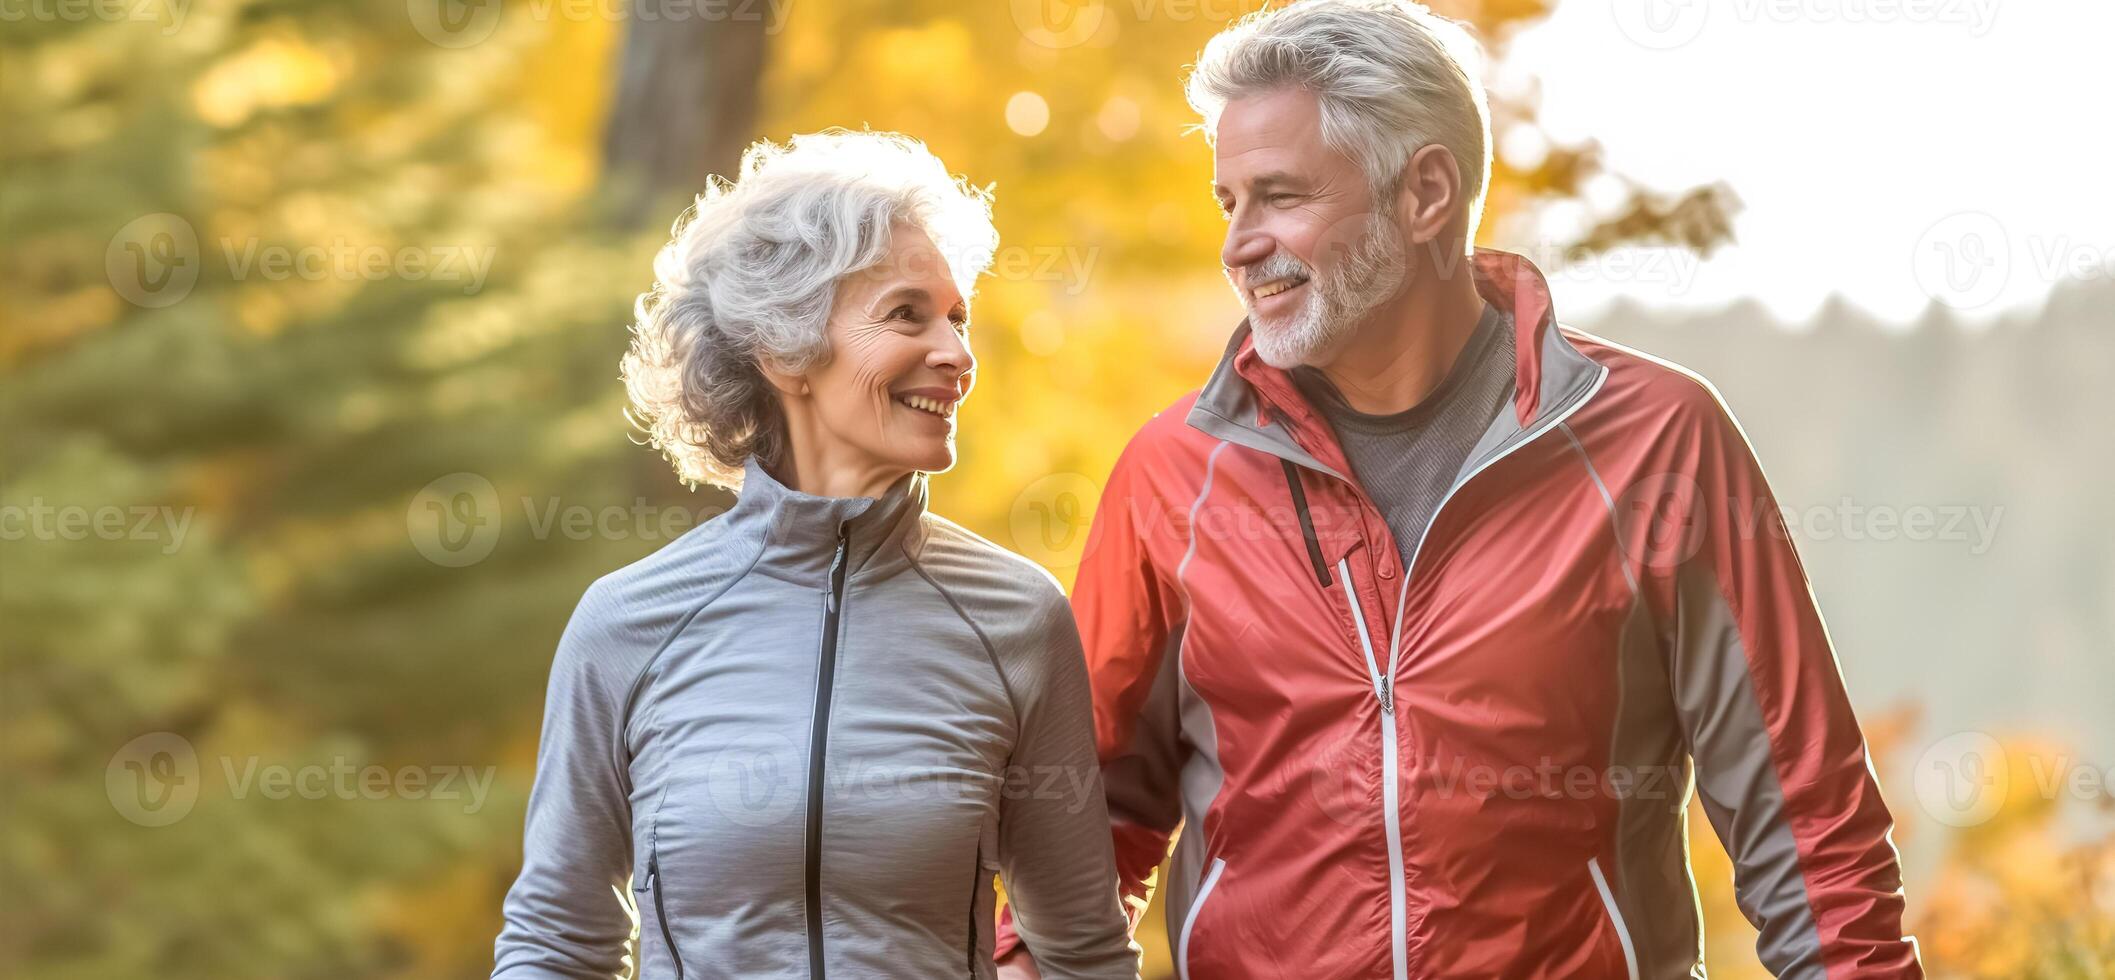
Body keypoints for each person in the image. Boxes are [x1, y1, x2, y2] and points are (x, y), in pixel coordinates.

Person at [995, 2, 1921, 978]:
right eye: (1230, 202)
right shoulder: (1173, 473)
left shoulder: (1657, 442)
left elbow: (1809, 824)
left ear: (1425, 192)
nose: (1239, 243)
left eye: (1278, 195)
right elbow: (1083, 816)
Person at [492, 130, 1139, 980]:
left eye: (957, 318)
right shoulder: (627, 626)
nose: (955, 354)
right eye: (907, 314)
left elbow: (1083, 953)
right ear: (784, 350)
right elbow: (555, 943)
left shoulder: (1016, 617)